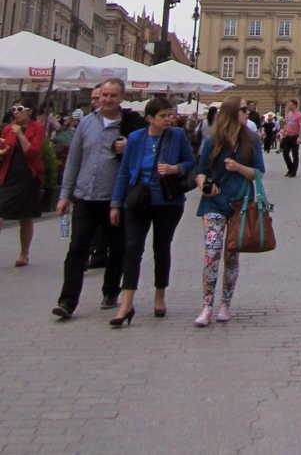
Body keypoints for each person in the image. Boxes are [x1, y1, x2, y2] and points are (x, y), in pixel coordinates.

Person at [53, 79, 145, 320]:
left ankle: (111, 290)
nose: (107, 99)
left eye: (113, 95)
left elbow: (146, 156)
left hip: (114, 198)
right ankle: (67, 301)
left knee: (117, 247)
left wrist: (130, 147)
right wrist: (65, 195)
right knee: (77, 249)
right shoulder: (86, 123)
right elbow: (73, 160)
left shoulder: (131, 126)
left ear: (121, 98)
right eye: (104, 94)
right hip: (85, 196)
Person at [109, 96, 194, 326]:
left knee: (161, 248)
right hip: (138, 201)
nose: (168, 119)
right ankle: (126, 305)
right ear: (149, 118)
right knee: (132, 250)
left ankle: (159, 296)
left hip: (168, 202)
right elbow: (125, 172)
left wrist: (174, 168)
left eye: (170, 115)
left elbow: (191, 163)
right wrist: (116, 204)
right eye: (163, 116)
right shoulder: (136, 139)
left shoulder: (177, 136)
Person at [194, 95, 264, 326]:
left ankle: (225, 303)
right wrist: (204, 187)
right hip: (213, 205)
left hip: (240, 205)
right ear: (232, 112)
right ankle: (206, 306)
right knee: (212, 255)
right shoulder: (214, 140)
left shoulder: (251, 140)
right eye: (244, 109)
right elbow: (201, 171)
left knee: (231, 257)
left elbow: (258, 173)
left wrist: (239, 167)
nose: (249, 112)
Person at [0, 97, 45, 267]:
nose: (15, 113)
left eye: (19, 109)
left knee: (25, 217)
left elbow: (32, 152)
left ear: (29, 111)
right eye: (13, 109)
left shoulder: (38, 128)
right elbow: (4, 151)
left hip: (27, 177)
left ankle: (24, 253)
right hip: (9, 175)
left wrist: (19, 134)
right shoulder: (7, 129)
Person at [280, 100, 301, 177]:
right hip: (288, 135)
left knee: (295, 154)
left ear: (295, 105)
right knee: (285, 153)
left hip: (295, 136)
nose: (289, 106)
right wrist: (282, 134)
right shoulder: (288, 114)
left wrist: (299, 137)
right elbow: (286, 125)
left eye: (290, 105)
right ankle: (290, 167)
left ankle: (294, 171)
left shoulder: (299, 115)